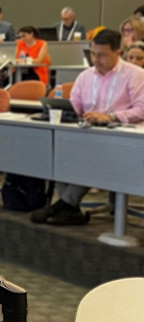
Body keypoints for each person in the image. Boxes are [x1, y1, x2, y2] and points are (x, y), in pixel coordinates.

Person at [30, 30, 144, 226]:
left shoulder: (136, 75)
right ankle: (70, 209)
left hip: (123, 140)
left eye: (102, 55)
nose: (96, 59)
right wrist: (63, 111)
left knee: (90, 157)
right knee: (58, 153)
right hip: (87, 135)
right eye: (92, 54)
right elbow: (75, 105)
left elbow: (142, 109)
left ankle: (60, 206)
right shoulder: (85, 76)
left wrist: (111, 117)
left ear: (118, 53)